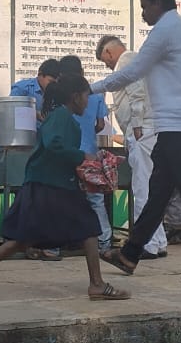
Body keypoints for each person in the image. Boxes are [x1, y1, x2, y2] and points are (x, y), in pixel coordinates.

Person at [95, 0, 181, 284]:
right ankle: (130, 253)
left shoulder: (164, 31)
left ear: (157, 3)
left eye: (144, 6)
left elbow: (132, 73)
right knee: (158, 192)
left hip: (175, 125)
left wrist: (90, 89)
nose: (143, 13)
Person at [0, 75, 131, 301]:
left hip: (53, 183)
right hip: (51, 185)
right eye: (86, 96)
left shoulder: (62, 116)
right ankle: (97, 284)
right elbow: (54, 145)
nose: (87, 102)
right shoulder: (61, 116)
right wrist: (83, 156)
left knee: (27, 236)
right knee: (89, 227)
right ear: (75, 97)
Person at [96, 35, 168, 259]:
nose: (107, 66)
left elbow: (137, 93)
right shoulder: (139, 60)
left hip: (142, 130)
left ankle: (147, 244)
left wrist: (136, 125)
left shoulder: (126, 61)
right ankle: (158, 241)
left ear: (109, 52)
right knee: (151, 187)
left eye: (105, 61)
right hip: (149, 129)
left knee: (142, 188)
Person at [57, 54, 113, 255]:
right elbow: (100, 124)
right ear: (81, 72)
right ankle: (104, 242)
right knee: (95, 199)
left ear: (60, 75)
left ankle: (58, 244)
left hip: (66, 154)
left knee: (62, 198)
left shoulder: (61, 96)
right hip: (89, 153)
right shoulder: (94, 94)